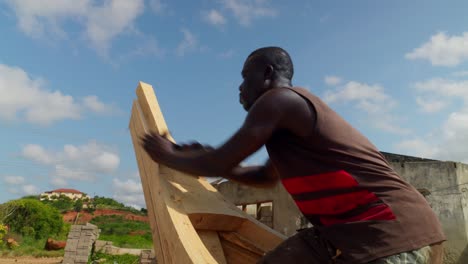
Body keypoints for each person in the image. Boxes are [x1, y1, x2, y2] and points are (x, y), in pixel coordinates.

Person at [141, 47, 445, 264]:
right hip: (342, 234)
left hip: (391, 231)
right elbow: (261, 176)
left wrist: (166, 153)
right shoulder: (289, 126)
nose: (240, 86)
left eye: (245, 77)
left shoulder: (279, 101)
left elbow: (220, 162)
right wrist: (207, 158)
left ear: (267, 74)